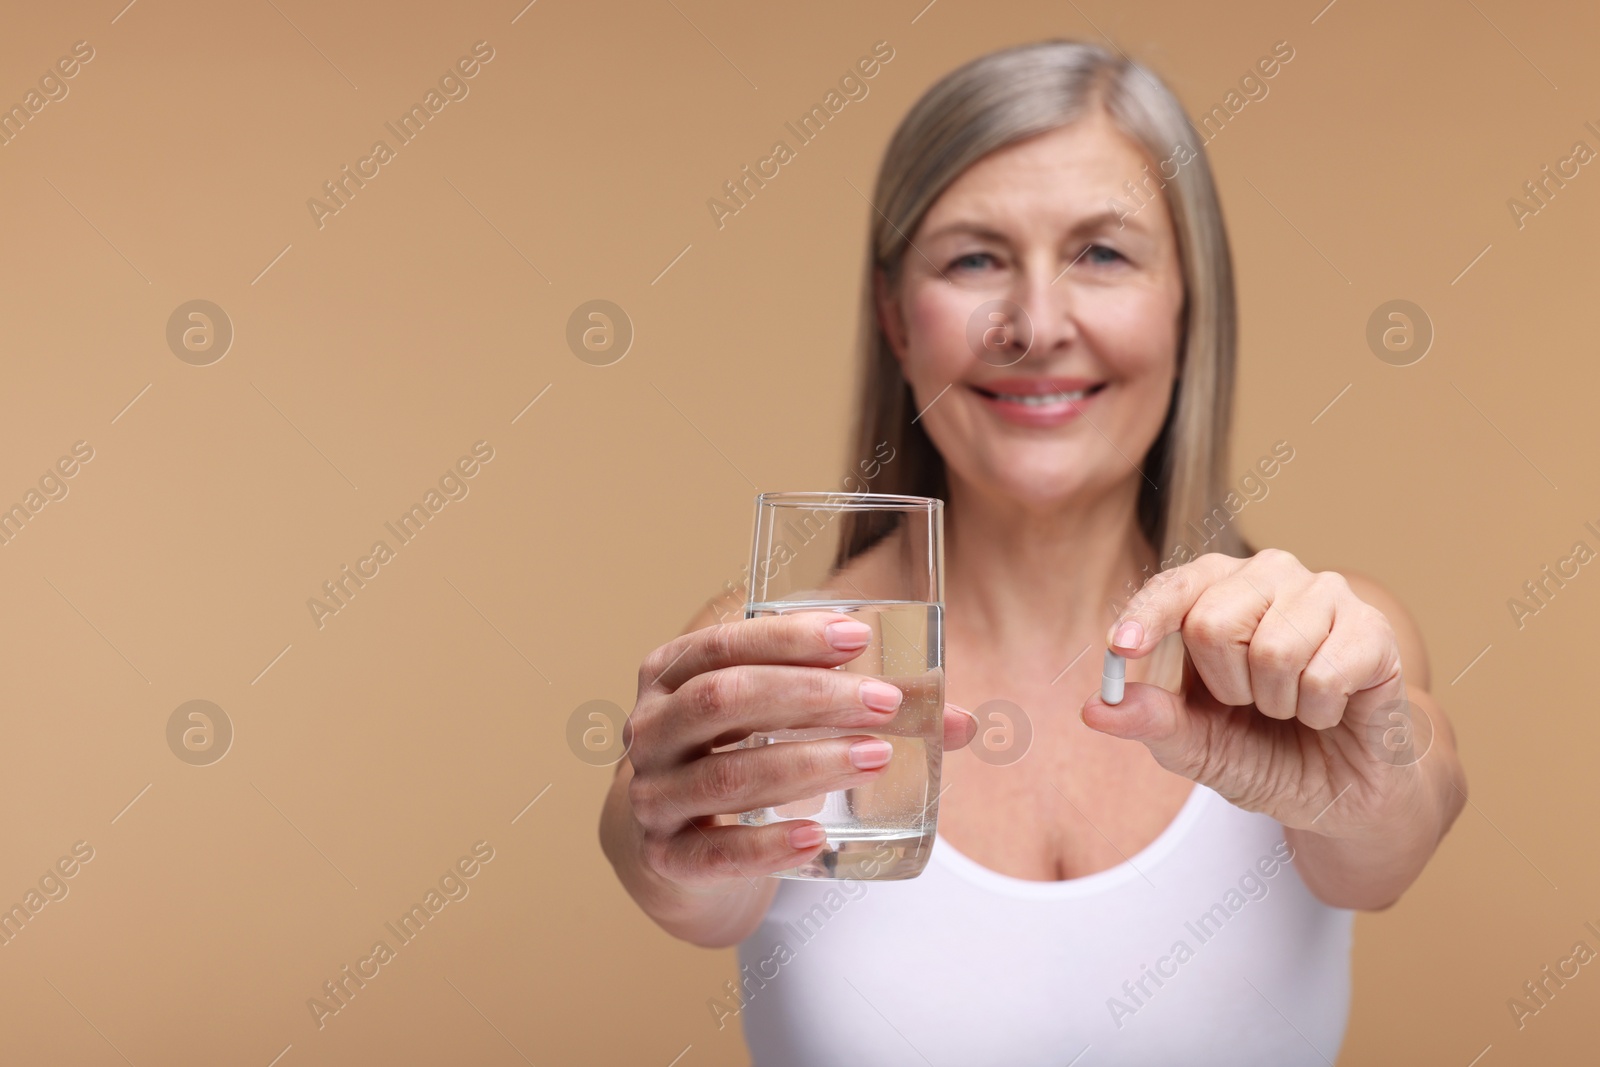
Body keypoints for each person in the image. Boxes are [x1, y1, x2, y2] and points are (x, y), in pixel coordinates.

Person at [600, 39, 1466, 1066]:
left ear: (1188, 304)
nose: (1037, 324)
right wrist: (662, 833)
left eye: (1103, 253)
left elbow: (1396, 837)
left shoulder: (1317, 646)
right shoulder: (782, 658)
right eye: (974, 258)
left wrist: (1374, 769)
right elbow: (685, 890)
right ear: (893, 316)